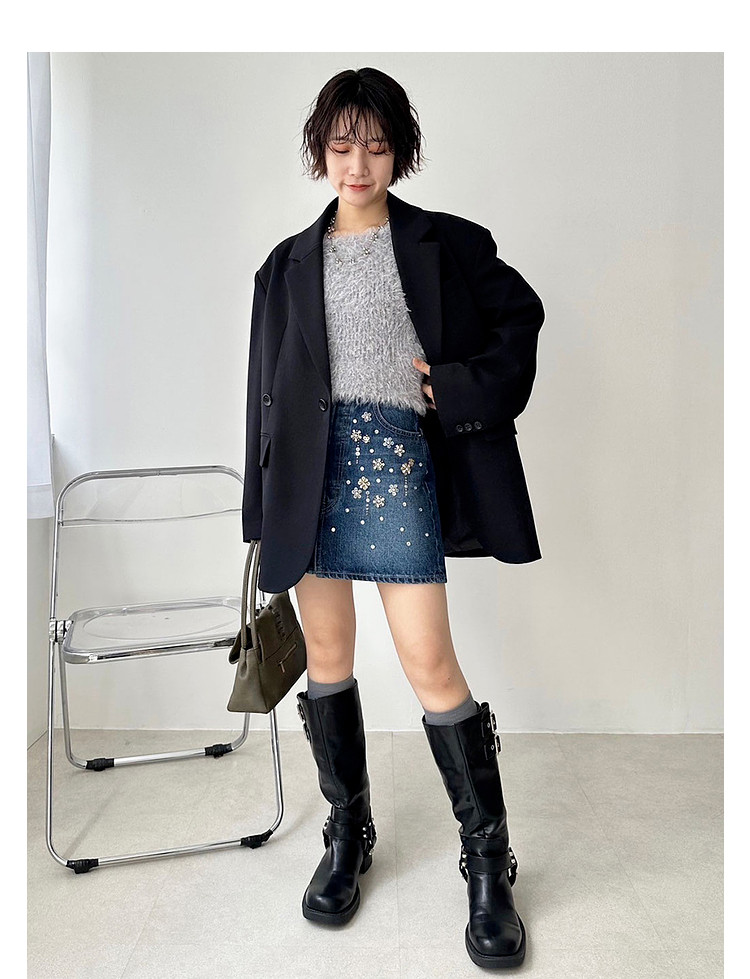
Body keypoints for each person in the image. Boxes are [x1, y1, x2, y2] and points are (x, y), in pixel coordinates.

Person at [242, 66, 545, 970]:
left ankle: (488, 864)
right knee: (327, 658)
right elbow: (263, 399)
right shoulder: (284, 265)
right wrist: (260, 515)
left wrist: (455, 387)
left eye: (375, 146)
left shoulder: (447, 243)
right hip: (309, 478)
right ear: (320, 152)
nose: (358, 164)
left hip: (396, 466)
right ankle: (348, 834)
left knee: (428, 662)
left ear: (399, 152)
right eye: (342, 146)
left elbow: (521, 319)